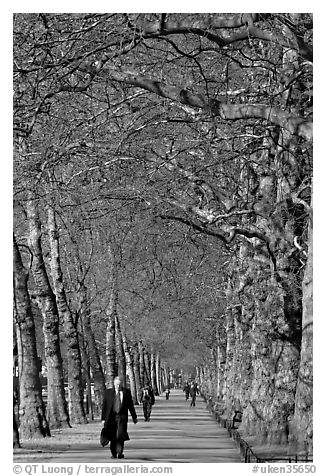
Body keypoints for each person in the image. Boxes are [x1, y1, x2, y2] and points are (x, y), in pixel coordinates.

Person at [101, 376, 138, 459]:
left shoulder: (126, 392)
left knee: (120, 435)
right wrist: (103, 419)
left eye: (120, 384)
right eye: (117, 384)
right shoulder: (108, 393)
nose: (118, 386)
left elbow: (130, 406)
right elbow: (104, 406)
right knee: (113, 435)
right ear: (114, 384)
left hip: (122, 417)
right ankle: (113, 453)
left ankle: (120, 452)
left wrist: (134, 417)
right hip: (111, 417)